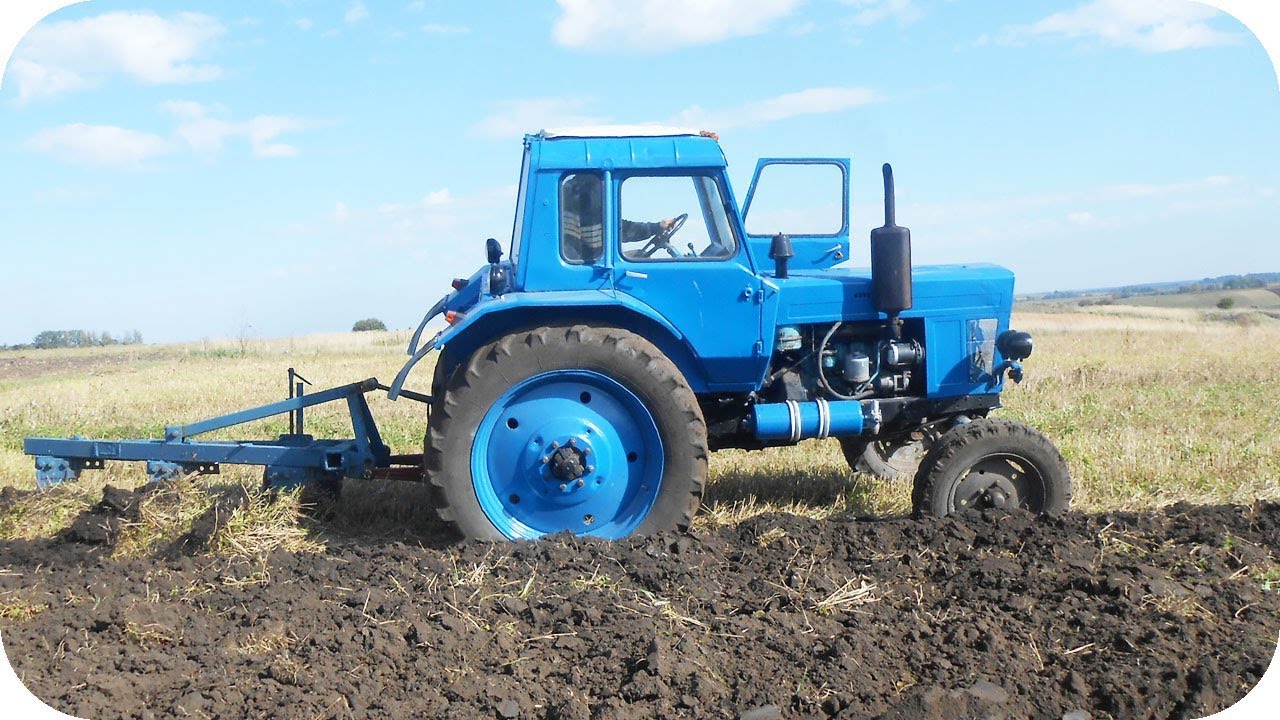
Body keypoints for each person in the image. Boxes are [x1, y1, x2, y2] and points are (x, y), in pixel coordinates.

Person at [561, 173, 679, 263]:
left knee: (641, 255)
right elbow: (621, 230)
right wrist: (656, 228)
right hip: (591, 266)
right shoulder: (585, 192)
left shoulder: (576, 190)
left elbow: (619, 229)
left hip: (590, 261)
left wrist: (657, 227)